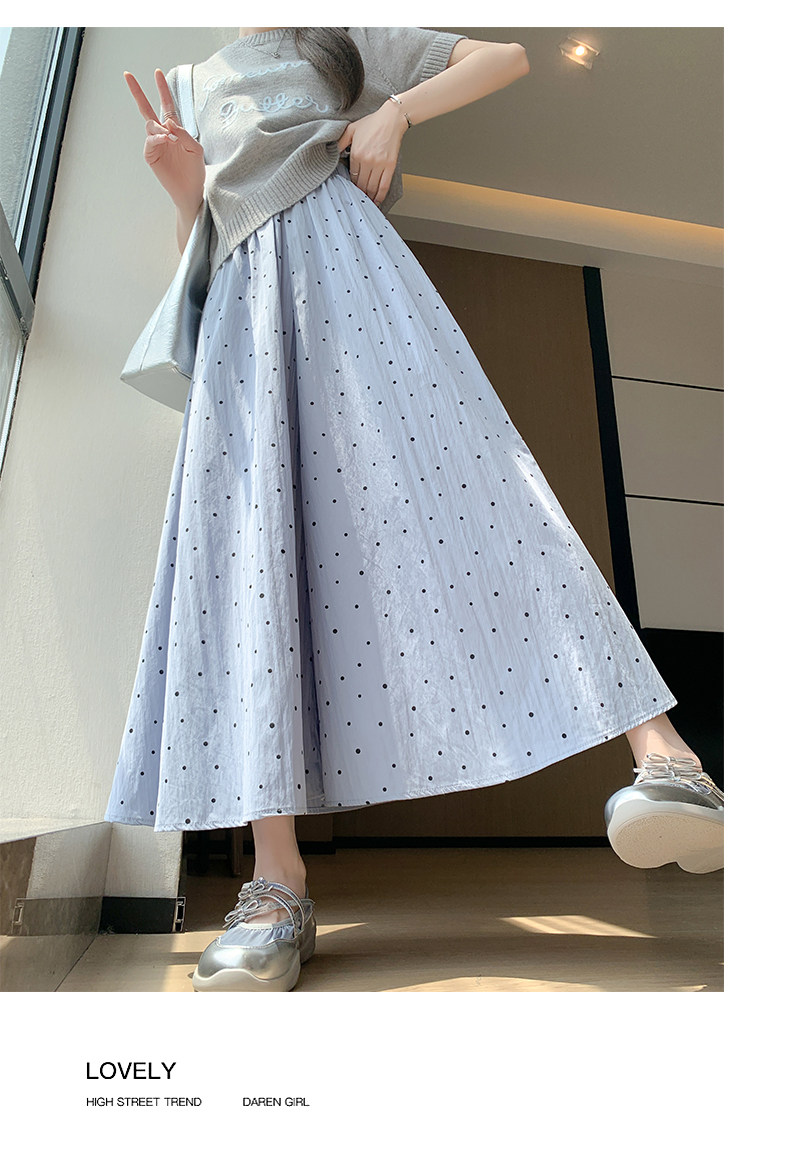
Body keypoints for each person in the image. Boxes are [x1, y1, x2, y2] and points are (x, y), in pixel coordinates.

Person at [108, 26, 724, 992]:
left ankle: (668, 759)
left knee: (483, 488)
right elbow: (199, 250)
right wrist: (184, 190)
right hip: (243, 319)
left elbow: (502, 57)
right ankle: (277, 881)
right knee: (249, 565)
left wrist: (393, 112)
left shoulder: (332, 36)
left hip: (348, 272)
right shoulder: (184, 84)